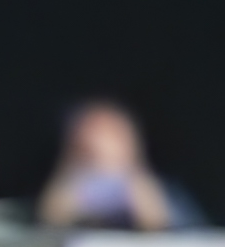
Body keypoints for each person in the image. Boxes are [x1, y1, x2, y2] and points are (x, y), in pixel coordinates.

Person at [37, 99, 201, 232]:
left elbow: (165, 227)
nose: (99, 143)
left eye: (108, 133)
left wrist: (132, 173)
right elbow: (50, 221)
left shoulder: (162, 190)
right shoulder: (73, 185)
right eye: (92, 133)